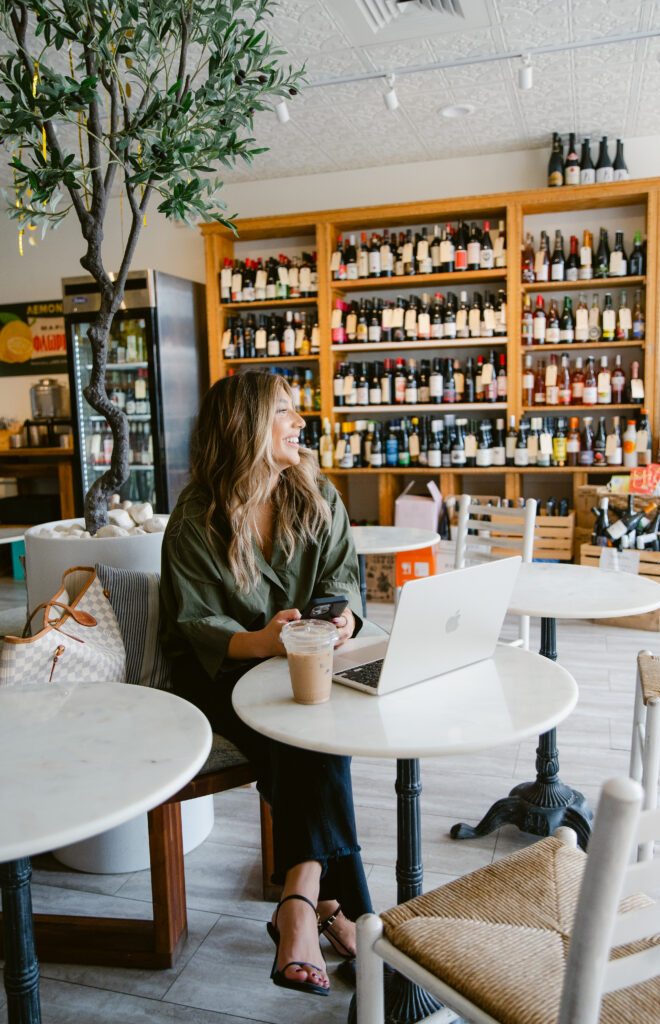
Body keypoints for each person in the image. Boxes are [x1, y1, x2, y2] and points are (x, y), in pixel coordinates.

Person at [159, 370, 371, 998]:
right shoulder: (196, 518)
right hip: (219, 675)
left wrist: (342, 623)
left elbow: (346, 582)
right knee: (307, 731)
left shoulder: (316, 495)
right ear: (245, 424)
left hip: (299, 665)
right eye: (284, 411)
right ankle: (324, 906)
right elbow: (199, 627)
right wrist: (265, 641)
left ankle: (306, 902)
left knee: (307, 723)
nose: (299, 422)